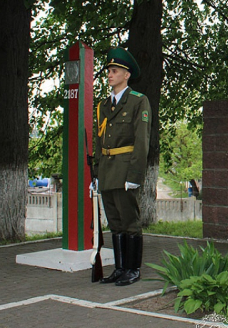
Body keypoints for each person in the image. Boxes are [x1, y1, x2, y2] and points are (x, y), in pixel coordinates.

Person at [93, 47, 151, 286]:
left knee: (130, 221)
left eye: (114, 71)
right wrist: (96, 174)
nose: (109, 74)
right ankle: (119, 268)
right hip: (107, 171)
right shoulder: (103, 106)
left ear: (126, 75)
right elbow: (99, 142)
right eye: (108, 70)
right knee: (115, 221)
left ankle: (133, 269)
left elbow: (142, 141)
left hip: (126, 169)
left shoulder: (138, 101)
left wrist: (135, 174)